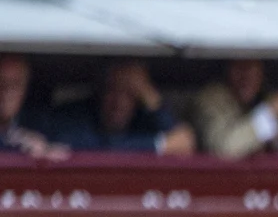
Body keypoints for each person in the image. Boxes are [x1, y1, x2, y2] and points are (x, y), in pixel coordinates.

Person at [45, 61, 196, 154]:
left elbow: (183, 142)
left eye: (129, 93)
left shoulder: (144, 118)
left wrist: (151, 99)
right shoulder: (72, 116)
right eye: (112, 90)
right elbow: (100, 150)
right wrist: (158, 145)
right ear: (99, 90)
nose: (119, 102)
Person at [192, 59, 278, 159]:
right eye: (239, 67)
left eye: (252, 67)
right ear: (227, 70)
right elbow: (225, 150)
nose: (245, 76)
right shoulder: (211, 99)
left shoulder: (268, 98)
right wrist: (269, 114)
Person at [0, 54, 67, 160]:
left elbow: (65, 153)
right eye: (1, 82)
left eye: (15, 84)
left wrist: (45, 150)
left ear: (25, 90)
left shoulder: (38, 122)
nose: (7, 91)